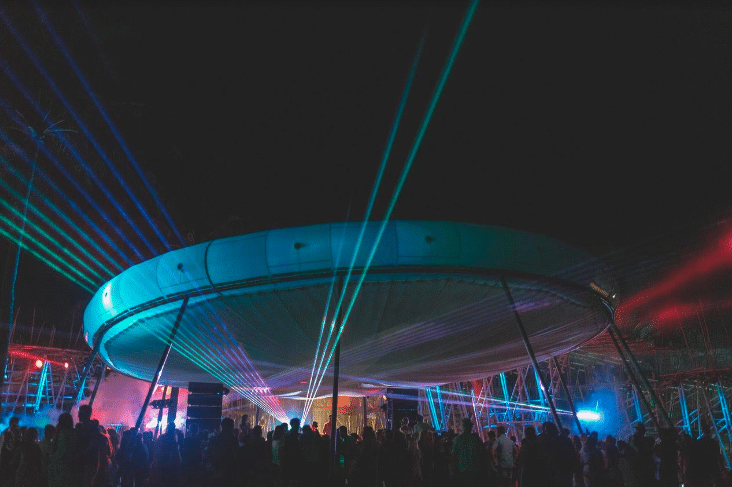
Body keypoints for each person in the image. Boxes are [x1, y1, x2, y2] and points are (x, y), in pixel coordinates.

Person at [451, 418, 482, 487]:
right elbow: (479, 454)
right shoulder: (475, 440)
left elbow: (454, 455)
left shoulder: (457, 439)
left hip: (461, 469)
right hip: (474, 469)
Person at [48, 413, 75, 487]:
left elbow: (59, 452)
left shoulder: (61, 434)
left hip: (59, 468)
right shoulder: (73, 433)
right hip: (69, 468)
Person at [0, 416, 20, 487]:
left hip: (6, 457)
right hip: (8, 457)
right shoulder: (8, 433)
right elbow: (6, 446)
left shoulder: (6, 432)